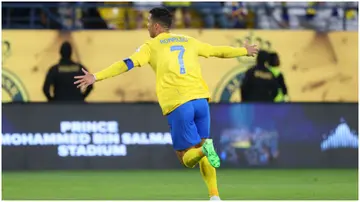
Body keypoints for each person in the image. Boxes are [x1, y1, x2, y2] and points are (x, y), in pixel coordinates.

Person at [74, 7, 258, 200]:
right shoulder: (188, 41)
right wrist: (244, 50)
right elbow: (216, 51)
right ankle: (214, 196)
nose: (147, 28)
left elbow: (126, 63)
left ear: (155, 26)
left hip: (179, 103)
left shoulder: (151, 46)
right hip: (201, 101)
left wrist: (96, 76)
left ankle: (205, 150)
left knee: (187, 158)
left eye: (147, 24)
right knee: (204, 147)